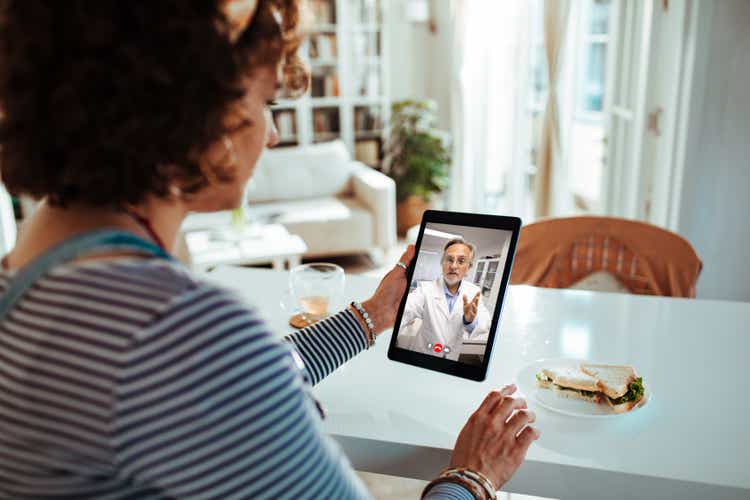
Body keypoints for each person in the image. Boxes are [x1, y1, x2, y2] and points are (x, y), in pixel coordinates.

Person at [0, 1, 539, 499]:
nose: (273, 133)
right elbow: (212, 368)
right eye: (266, 100)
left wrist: (372, 316)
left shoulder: (29, 274)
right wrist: (473, 475)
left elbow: (219, 389)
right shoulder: (178, 330)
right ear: (192, 111)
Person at [403, 238, 491, 361]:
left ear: (469, 267)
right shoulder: (425, 289)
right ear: (442, 263)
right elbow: (406, 309)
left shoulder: (473, 292)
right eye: (449, 259)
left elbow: (485, 321)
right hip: (423, 353)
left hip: (450, 356)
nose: (453, 266)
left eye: (461, 261)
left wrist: (470, 321)